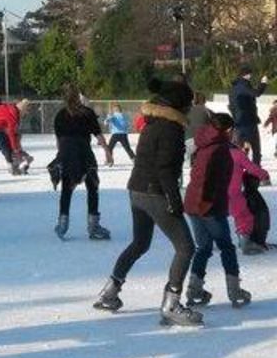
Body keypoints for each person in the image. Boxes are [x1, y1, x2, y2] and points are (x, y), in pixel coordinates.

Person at [94, 77, 202, 327]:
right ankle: (171, 304)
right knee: (186, 248)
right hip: (155, 193)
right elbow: (165, 168)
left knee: (140, 243)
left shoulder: (153, 123)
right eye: (187, 103)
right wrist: (175, 200)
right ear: (179, 105)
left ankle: (110, 291)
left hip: (137, 191)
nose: (189, 108)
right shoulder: (171, 129)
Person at [183, 113, 252, 308]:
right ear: (228, 130)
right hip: (208, 206)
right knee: (226, 247)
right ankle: (234, 290)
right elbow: (207, 179)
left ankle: (195, 290)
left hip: (193, 203)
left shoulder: (204, 142)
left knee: (203, 247)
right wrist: (207, 205)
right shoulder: (220, 149)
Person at [53, 84, 113, 241]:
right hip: (84, 153)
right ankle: (93, 226)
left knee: (66, 190)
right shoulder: (87, 113)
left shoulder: (60, 115)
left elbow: (59, 141)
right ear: (79, 96)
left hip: (67, 154)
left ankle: (62, 224)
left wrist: (61, 158)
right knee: (92, 187)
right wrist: (107, 151)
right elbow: (98, 136)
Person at [228, 64, 267, 166]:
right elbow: (256, 93)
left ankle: (239, 171)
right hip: (247, 121)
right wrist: (263, 83)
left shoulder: (234, 87)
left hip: (239, 121)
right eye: (250, 74)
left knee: (243, 147)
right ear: (246, 75)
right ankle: (255, 172)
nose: (251, 76)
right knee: (256, 148)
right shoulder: (243, 85)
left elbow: (231, 105)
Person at [0, 95, 23, 175]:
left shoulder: (4, 106)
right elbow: (11, 134)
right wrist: (15, 148)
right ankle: (11, 167)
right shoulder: (12, 117)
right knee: (6, 146)